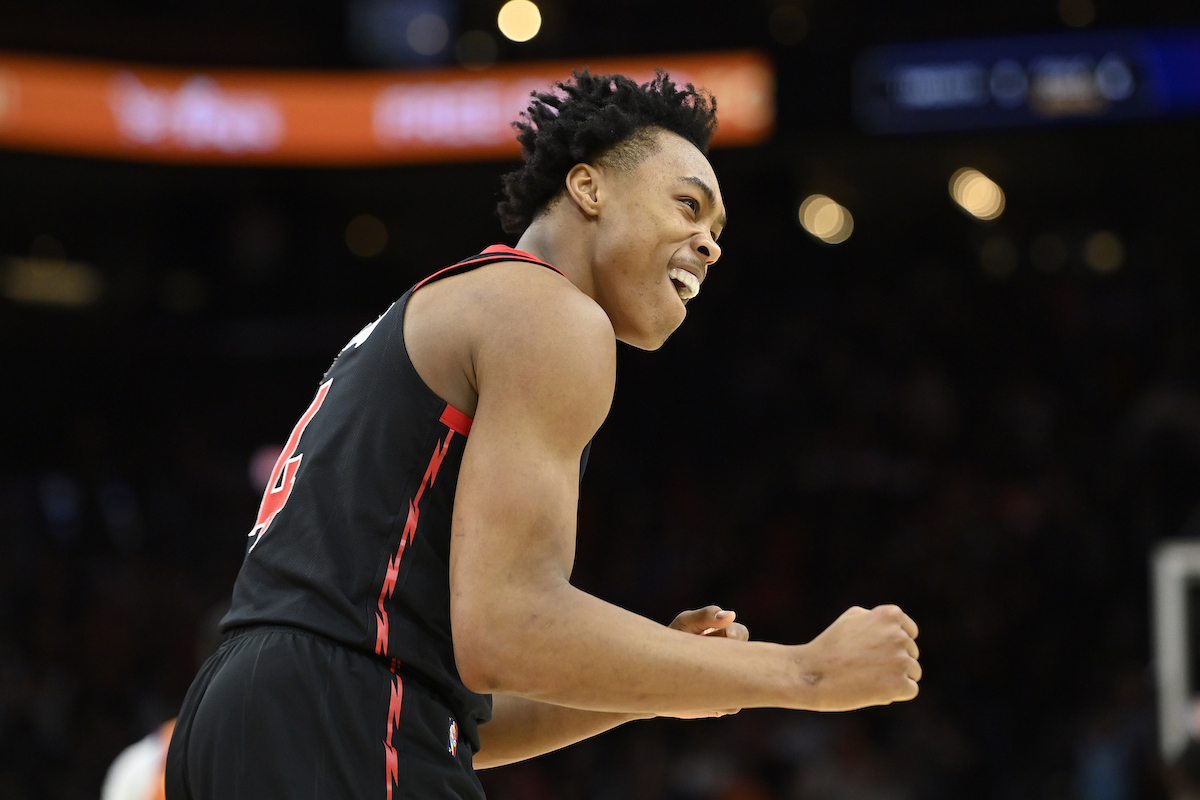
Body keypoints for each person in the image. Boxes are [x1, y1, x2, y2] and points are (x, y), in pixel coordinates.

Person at [164, 70, 921, 800]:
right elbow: (510, 629)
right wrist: (807, 673)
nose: (710, 242)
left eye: (717, 230)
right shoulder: (548, 311)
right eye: (688, 206)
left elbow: (458, 720)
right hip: (331, 708)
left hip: (245, 715)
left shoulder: (458, 304)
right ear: (587, 187)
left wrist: (662, 683)